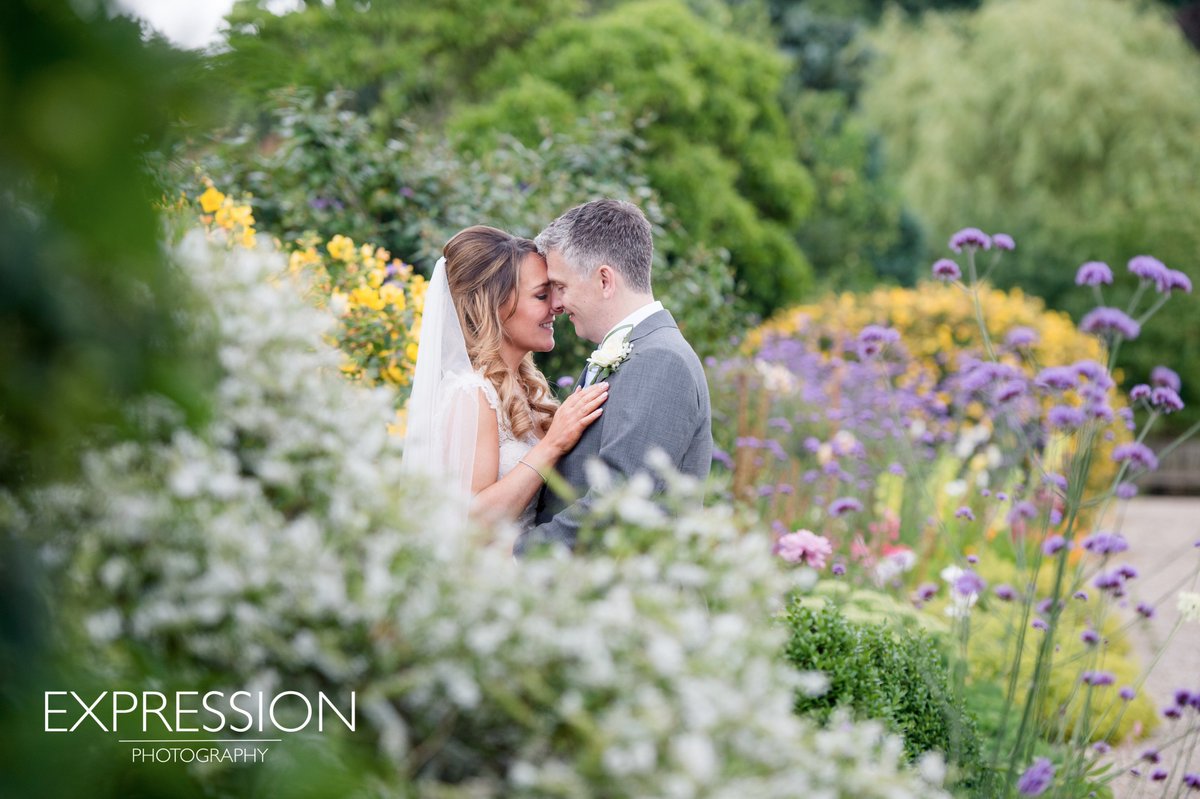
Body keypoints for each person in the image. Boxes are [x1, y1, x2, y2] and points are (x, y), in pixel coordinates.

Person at [514, 199, 713, 555]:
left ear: (605, 280)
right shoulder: (635, 352)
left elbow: (620, 502)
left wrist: (519, 557)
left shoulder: (660, 361)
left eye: (560, 286)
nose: (556, 304)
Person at [402, 225, 608, 537]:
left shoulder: (523, 390)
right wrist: (553, 444)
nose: (558, 306)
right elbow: (468, 528)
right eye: (541, 295)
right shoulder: (471, 394)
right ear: (495, 307)